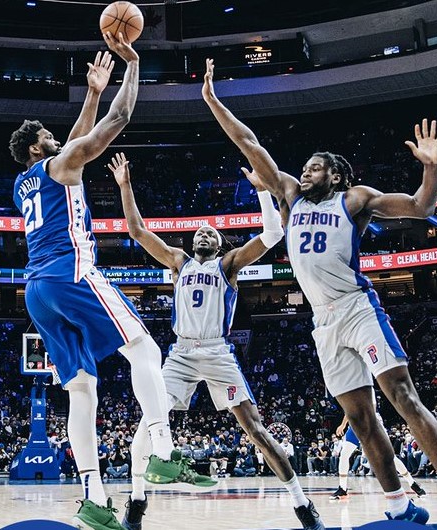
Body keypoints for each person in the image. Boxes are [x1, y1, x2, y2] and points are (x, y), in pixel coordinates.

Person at [201, 57, 437, 529]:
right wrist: (211, 99)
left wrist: (431, 168)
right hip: (322, 322)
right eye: (304, 169)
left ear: (335, 175)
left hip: (357, 308)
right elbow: (249, 143)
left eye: (314, 169)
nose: (304, 173)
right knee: (361, 420)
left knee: (403, 397)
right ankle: (398, 505)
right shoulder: (289, 196)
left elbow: (421, 206)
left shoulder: (354, 199)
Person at [9, 34, 212, 530]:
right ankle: (163, 449)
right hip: (73, 273)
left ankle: (95, 498)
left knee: (82, 392)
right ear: (39, 146)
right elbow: (114, 125)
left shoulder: (26, 182)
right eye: (48, 136)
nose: (57, 138)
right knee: (143, 348)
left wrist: (94, 92)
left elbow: (76, 143)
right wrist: (132, 66)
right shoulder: (60, 163)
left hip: (37, 292)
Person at [109, 152, 324, 530]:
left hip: (217, 350)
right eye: (199, 233)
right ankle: (137, 502)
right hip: (180, 352)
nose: (203, 234)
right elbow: (137, 232)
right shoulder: (178, 262)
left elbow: (273, 235)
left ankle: (302, 505)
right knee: (149, 422)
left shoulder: (228, 265)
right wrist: (125, 186)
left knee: (255, 430)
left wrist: (261, 192)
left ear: (220, 243)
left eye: (210, 233)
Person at [330, 413, 426, 499]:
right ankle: (342, 487)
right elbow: (349, 408)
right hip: (355, 425)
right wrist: (344, 424)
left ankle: (412, 483)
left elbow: (358, 406)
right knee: (344, 455)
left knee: (390, 457)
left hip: (372, 423)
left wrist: (344, 424)